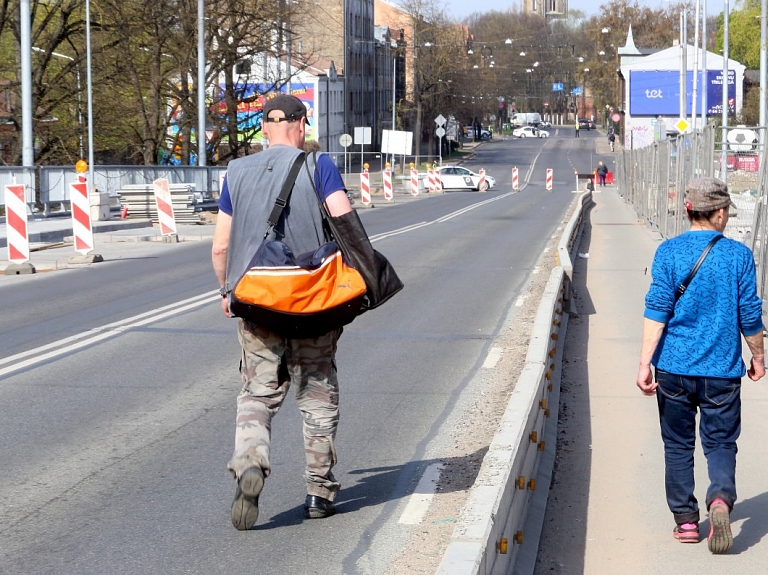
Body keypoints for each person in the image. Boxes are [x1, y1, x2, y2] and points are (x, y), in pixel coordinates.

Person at [212, 94, 355, 530]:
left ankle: (251, 462)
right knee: (316, 395)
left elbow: (220, 245)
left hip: (257, 302)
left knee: (257, 394)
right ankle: (318, 491)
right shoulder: (320, 165)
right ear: (302, 125)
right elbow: (345, 221)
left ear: (264, 128)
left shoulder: (235, 173)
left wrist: (226, 289)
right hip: (313, 302)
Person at [636, 177, 765, 554]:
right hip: (722, 372)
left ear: (689, 210)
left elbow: (657, 310)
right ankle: (721, 499)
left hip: (673, 369)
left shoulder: (668, 252)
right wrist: (758, 357)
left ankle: (687, 523)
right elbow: (750, 315)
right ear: (720, 213)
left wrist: (645, 363)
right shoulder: (739, 256)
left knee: (677, 445)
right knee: (721, 442)